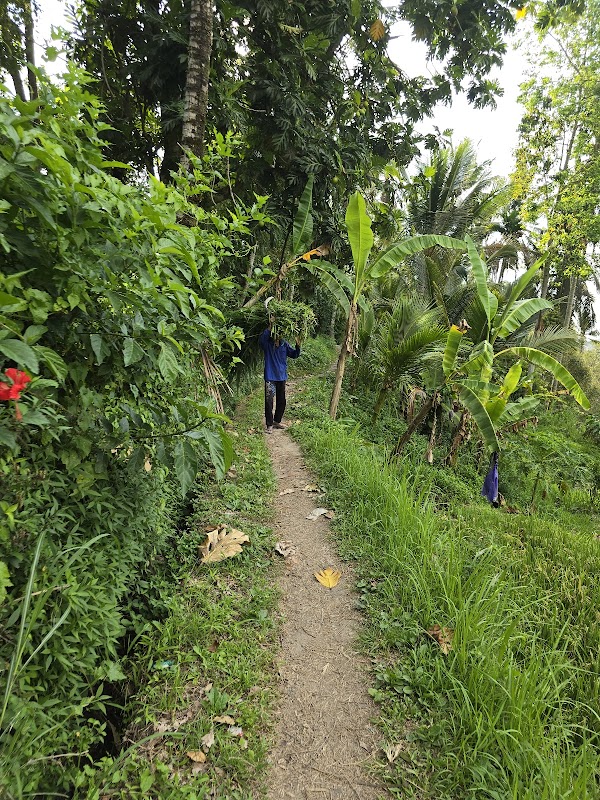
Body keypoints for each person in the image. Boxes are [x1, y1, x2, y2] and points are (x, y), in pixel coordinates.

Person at [259, 317, 301, 433]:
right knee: (269, 401)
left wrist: (298, 346)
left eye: (281, 334)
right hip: (270, 377)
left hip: (281, 377)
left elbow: (294, 355)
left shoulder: (284, 345)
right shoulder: (268, 344)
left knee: (282, 400)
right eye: (277, 333)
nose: (279, 336)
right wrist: (270, 325)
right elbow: (262, 340)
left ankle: (277, 421)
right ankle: (269, 424)